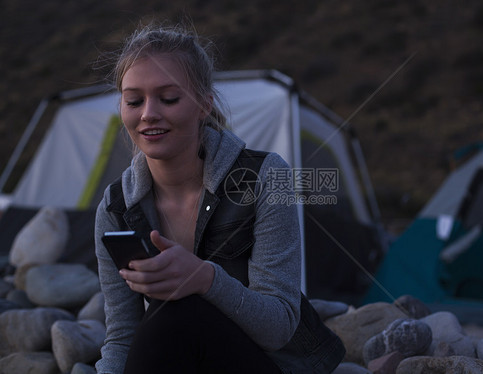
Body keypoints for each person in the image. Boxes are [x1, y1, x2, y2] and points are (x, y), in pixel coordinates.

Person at [94, 22, 345, 374]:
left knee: (178, 311)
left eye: (168, 98)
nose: (148, 113)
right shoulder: (116, 207)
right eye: (134, 100)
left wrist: (204, 278)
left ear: (203, 105)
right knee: (167, 320)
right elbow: (122, 336)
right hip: (182, 358)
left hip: (273, 363)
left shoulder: (265, 177)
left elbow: (279, 326)